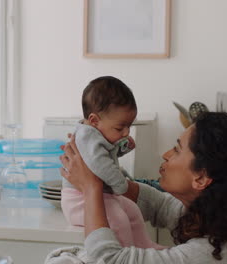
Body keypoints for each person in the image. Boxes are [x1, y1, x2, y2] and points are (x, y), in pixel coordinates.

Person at [60, 112, 227, 263]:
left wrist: (92, 189)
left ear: (202, 177)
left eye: (177, 150)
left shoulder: (212, 254)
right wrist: (111, 182)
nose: (166, 155)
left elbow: (109, 261)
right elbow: (162, 205)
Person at [61, 76, 163, 249]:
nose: (126, 132)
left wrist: (122, 148)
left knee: (133, 211)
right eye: (120, 128)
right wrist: (121, 185)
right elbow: (101, 163)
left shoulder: (97, 134)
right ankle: (126, 253)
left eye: (129, 127)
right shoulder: (87, 137)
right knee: (119, 219)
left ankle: (143, 245)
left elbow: (107, 155)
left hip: (103, 197)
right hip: (80, 201)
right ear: (94, 120)